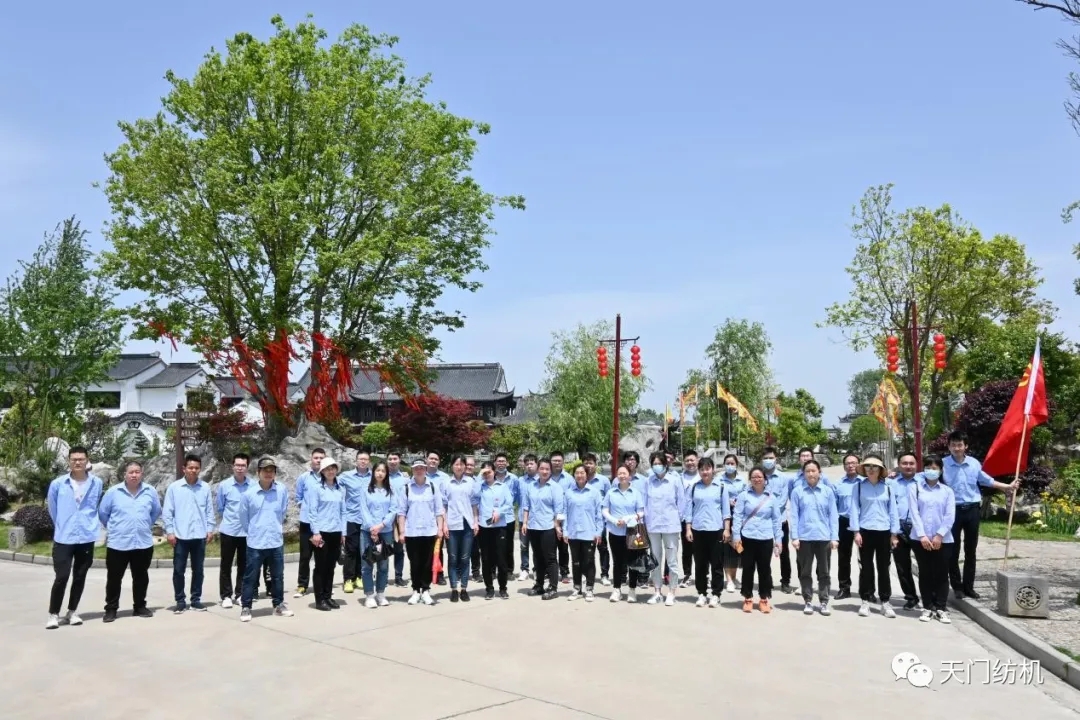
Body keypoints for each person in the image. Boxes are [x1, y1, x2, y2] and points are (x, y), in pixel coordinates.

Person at [944, 430, 1018, 600]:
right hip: (952, 511)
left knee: (971, 550)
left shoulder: (974, 463)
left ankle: (969, 587)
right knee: (953, 550)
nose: (956, 448)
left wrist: (1007, 487)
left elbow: (986, 480)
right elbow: (927, 478)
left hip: (972, 510)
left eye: (960, 445)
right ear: (949, 446)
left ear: (966, 446)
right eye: (953, 445)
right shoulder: (943, 464)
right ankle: (957, 587)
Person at [45, 445, 104, 629]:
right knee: (61, 576)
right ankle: (53, 614)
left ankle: (72, 611)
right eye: (74, 459)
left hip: (86, 536)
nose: (78, 462)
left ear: (87, 460)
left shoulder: (96, 483)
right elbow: (53, 509)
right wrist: (63, 524)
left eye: (81, 459)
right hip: (64, 537)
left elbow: (95, 505)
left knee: (80, 576)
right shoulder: (58, 484)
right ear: (69, 461)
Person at [98, 460, 161, 623]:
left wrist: (144, 524)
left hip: (143, 542)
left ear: (142, 473)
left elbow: (156, 511)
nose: (134, 475)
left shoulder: (150, 491)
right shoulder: (113, 492)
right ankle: (111, 609)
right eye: (131, 472)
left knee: (141, 577)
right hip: (118, 543)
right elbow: (103, 513)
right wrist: (115, 528)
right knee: (114, 578)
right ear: (124, 474)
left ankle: (139, 606)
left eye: (137, 472)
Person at [237, 457, 293, 622]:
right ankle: (246, 607)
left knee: (277, 576)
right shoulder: (249, 494)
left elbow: (283, 512)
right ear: (258, 472)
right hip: (256, 542)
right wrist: (254, 531)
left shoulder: (281, 491)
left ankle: (278, 604)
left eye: (271, 470)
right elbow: (243, 518)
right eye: (265, 470)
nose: (268, 473)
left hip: (275, 541)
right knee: (250, 577)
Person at [163, 454, 216, 614]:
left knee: (198, 570)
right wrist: (170, 532)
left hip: (199, 536)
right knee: (179, 570)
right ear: (184, 469)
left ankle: (195, 600)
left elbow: (209, 511)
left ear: (200, 469)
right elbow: (168, 512)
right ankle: (180, 601)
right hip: (180, 536)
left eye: (196, 468)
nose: (193, 470)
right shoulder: (174, 488)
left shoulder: (205, 488)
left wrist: (210, 529)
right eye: (190, 467)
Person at [850, 456, 900, 618]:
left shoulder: (888, 487)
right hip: (865, 531)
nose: (871, 469)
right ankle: (865, 600)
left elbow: (893, 511)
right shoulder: (858, 487)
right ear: (864, 469)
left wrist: (894, 534)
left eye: (875, 466)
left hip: (884, 531)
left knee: (884, 568)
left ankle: (885, 601)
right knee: (866, 567)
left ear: (880, 470)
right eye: (868, 466)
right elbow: (854, 510)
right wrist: (856, 532)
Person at [217, 453, 269, 609]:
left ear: (247, 467)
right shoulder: (224, 485)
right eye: (237, 465)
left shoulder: (254, 485)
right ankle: (226, 596)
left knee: (244, 565)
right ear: (232, 466)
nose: (240, 468)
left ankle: (240, 594)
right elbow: (221, 508)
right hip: (228, 531)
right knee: (226, 565)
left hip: (247, 533)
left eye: (243, 465)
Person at [909, 455, 956, 623]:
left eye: (934, 468)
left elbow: (950, 515)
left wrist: (939, 535)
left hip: (943, 540)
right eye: (928, 467)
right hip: (920, 539)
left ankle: (941, 608)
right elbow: (914, 513)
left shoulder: (947, 491)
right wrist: (922, 535)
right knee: (925, 573)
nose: (931, 471)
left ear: (941, 470)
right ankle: (927, 607)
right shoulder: (915, 488)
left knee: (942, 573)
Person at [790, 460, 838, 616]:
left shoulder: (827, 491)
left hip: (823, 537)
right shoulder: (797, 492)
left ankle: (824, 601)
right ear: (803, 474)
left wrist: (834, 537)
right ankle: (808, 600)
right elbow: (794, 515)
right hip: (804, 537)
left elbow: (833, 516)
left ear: (819, 473)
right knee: (805, 571)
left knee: (824, 572)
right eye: (807, 471)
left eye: (813, 471)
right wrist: (794, 537)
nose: (811, 474)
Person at [732, 466, 784, 614]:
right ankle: (748, 598)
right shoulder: (743, 496)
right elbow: (737, 516)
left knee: (764, 569)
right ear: (750, 479)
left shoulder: (772, 498)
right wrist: (736, 536)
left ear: (765, 479)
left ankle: (764, 599)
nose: (757, 479)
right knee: (748, 568)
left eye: (759, 477)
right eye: (754, 477)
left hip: (765, 537)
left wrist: (778, 539)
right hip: (747, 537)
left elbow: (776, 520)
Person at [682, 458, 730, 608]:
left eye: (707, 468)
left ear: (713, 469)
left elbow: (726, 511)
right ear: (699, 471)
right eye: (702, 469)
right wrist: (688, 528)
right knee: (700, 564)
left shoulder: (721, 487)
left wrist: (727, 529)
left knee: (717, 564)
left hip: (716, 530)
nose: (705, 472)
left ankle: (716, 594)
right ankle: (702, 593)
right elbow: (689, 509)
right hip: (698, 530)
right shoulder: (694, 487)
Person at [398, 459, 446, 605]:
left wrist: (440, 528)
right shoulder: (406, 488)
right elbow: (401, 512)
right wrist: (401, 532)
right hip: (411, 532)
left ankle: (425, 590)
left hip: (429, 531)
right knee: (414, 562)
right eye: (416, 468)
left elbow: (439, 510)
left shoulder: (433, 487)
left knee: (427, 562)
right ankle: (415, 590)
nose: (419, 470)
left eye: (421, 468)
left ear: (425, 470)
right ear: (412, 470)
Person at [643, 451, 686, 606]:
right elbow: (645, 502)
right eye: (654, 464)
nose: (657, 466)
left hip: (670, 525)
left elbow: (682, 502)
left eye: (659, 463)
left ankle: (672, 591)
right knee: (655, 559)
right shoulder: (648, 481)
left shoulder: (675, 480)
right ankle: (657, 591)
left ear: (665, 464)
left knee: (672, 560)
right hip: (653, 526)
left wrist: (677, 519)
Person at [521, 458, 566, 600]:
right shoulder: (531, 486)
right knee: (537, 557)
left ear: (551, 471)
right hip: (533, 526)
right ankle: (539, 585)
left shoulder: (555, 487)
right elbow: (526, 506)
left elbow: (559, 510)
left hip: (548, 527)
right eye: (542, 469)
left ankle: (553, 587)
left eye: (547, 469)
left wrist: (557, 526)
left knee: (550, 558)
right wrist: (524, 523)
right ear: (538, 470)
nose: (545, 471)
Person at [603, 465, 646, 602]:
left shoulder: (636, 493)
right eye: (619, 473)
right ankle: (617, 589)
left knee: (633, 562)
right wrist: (615, 521)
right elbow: (604, 510)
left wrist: (629, 519)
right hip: (615, 532)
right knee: (617, 562)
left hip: (632, 532)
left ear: (629, 476)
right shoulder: (611, 492)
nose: (622, 476)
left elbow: (641, 511)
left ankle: (632, 590)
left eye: (624, 473)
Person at [309, 457, 346, 611]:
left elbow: (343, 512)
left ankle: (328, 596)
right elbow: (312, 512)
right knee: (320, 567)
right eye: (327, 469)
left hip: (336, 532)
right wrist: (316, 532)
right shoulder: (317, 488)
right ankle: (319, 599)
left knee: (331, 566)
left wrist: (343, 532)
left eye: (333, 468)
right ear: (322, 471)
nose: (330, 471)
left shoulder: (340, 489)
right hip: (322, 533)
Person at [359, 461, 397, 608]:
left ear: (386, 473)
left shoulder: (390, 490)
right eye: (378, 470)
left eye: (383, 471)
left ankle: (380, 593)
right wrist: (372, 528)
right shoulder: (365, 489)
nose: (380, 473)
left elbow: (393, 509)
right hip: (367, 531)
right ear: (373, 472)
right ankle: (369, 594)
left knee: (383, 564)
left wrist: (381, 526)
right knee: (367, 564)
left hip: (385, 532)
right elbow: (363, 510)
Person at [473, 461, 513, 599]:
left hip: (499, 527)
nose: (487, 475)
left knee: (501, 560)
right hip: (485, 527)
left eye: (489, 472)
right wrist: (479, 477)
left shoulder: (502, 487)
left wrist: (499, 512)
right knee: (486, 560)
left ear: (494, 472)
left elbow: (509, 503)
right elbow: (473, 496)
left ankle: (503, 588)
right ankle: (489, 589)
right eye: (484, 473)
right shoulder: (480, 487)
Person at [564, 465, 603, 601]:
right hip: (573, 533)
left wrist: (598, 532)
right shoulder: (569, 493)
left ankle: (590, 588)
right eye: (577, 473)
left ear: (587, 475)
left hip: (589, 533)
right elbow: (564, 513)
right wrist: (565, 531)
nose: (579, 475)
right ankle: (577, 588)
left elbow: (599, 514)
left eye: (582, 473)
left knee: (589, 561)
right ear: (574, 475)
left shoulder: (594, 492)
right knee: (575, 562)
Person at [442, 456, 477, 602]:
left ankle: (464, 588)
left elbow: (474, 503)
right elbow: (443, 506)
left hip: (467, 524)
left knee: (465, 558)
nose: (459, 467)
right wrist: (444, 524)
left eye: (462, 464)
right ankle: (454, 589)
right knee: (453, 558)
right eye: (456, 464)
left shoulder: (471, 482)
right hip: (452, 524)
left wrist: (476, 522)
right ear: (452, 466)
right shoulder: (446, 483)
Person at [293, 447, 325, 599]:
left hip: (323, 524)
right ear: (311, 459)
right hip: (306, 523)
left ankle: (322, 585)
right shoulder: (304, 478)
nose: (318, 460)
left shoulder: (329, 478)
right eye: (316, 457)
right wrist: (306, 508)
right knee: (305, 556)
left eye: (321, 458)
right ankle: (302, 585)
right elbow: (298, 497)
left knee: (322, 557)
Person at [891, 452, 922, 610]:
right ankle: (911, 597)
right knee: (902, 566)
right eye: (904, 463)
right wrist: (893, 533)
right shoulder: (891, 484)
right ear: (899, 465)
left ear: (916, 465)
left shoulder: (924, 481)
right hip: (899, 529)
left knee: (925, 565)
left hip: (920, 529)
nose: (908, 466)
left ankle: (930, 599)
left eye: (911, 463)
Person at [338, 452, 373, 593]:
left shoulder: (373, 476)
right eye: (360, 459)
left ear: (369, 461)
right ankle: (348, 579)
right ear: (356, 461)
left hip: (367, 519)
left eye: (366, 459)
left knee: (363, 550)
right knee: (350, 550)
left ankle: (359, 576)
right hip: (352, 518)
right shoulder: (346, 476)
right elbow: (332, 483)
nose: (363, 461)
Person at [761, 446, 794, 593]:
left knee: (783, 552)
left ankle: (785, 581)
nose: (768, 460)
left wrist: (769, 510)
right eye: (765, 458)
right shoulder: (759, 476)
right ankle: (766, 581)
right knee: (764, 553)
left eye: (771, 458)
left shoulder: (784, 478)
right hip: (763, 522)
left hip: (780, 521)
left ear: (776, 459)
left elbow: (783, 500)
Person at [833, 453, 863, 600]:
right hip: (844, 522)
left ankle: (867, 590)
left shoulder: (865, 482)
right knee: (844, 557)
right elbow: (833, 507)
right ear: (844, 466)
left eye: (854, 462)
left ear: (859, 464)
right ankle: (844, 588)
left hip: (863, 523)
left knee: (865, 559)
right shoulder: (838, 484)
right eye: (848, 463)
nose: (851, 465)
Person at [717, 454, 747, 593]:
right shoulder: (719, 480)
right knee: (727, 549)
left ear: (736, 465)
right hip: (724, 518)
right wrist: (726, 501)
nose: (730, 466)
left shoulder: (742, 481)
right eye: (727, 463)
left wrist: (738, 502)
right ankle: (728, 579)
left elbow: (746, 496)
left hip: (739, 518)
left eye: (732, 463)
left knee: (737, 548)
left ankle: (734, 577)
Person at [582, 453, 612, 585]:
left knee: (602, 548)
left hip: (600, 521)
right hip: (584, 521)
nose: (588, 465)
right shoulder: (580, 479)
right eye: (586, 463)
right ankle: (586, 574)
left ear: (596, 464)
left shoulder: (603, 481)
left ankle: (604, 575)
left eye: (591, 463)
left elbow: (609, 500)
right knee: (586, 550)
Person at [491, 453, 519, 582]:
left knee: (508, 545)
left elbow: (516, 497)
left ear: (507, 463)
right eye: (499, 461)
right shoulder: (489, 477)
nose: (501, 463)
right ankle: (492, 570)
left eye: (503, 461)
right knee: (492, 545)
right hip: (492, 518)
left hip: (508, 518)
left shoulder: (514, 479)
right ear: (495, 463)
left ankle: (508, 570)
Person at [511, 454, 539, 581]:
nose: (529, 466)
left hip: (538, 520)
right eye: (527, 464)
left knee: (537, 547)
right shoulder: (520, 481)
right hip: (523, 519)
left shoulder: (541, 480)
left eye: (532, 463)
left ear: (537, 464)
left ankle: (537, 569)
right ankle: (524, 569)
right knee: (524, 546)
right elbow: (516, 498)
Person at [385, 451, 411, 587]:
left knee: (399, 549)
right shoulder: (381, 475)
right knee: (382, 548)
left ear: (400, 460)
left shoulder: (406, 478)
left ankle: (398, 576)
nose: (392, 461)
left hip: (400, 517)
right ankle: (382, 576)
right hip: (385, 516)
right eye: (390, 459)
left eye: (395, 458)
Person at [426, 451, 450, 585]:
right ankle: (426, 573)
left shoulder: (445, 477)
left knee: (438, 547)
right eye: (431, 458)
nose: (433, 461)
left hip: (439, 516)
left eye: (436, 459)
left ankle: (439, 574)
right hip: (424, 516)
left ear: (439, 462)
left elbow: (447, 500)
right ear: (426, 459)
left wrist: (444, 521)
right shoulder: (420, 474)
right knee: (425, 546)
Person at [549, 451, 574, 583]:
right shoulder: (546, 476)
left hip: (564, 518)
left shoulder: (569, 479)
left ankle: (564, 572)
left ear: (563, 462)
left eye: (559, 460)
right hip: (548, 518)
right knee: (549, 548)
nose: (557, 463)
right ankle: (550, 572)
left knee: (563, 548)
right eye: (554, 460)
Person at [678, 450, 700, 589]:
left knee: (701, 549)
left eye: (692, 460)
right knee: (686, 549)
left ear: (697, 460)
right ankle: (687, 574)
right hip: (683, 517)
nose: (690, 463)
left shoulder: (702, 476)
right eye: (687, 460)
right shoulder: (679, 478)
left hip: (699, 518)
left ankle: (703, 575)